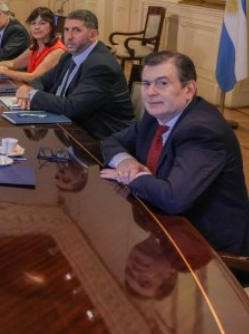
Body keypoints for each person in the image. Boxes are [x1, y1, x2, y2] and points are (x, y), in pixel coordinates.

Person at [100, 51, 249, 256]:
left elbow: (174, 198)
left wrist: (130, 177)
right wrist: (125, 161)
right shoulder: (157, 115)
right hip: (165, 228)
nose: (150, 92)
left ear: (189, 89)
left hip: (209, 250)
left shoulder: (203, 131)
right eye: (146, 84)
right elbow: (112, 141)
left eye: (162, 83)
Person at [15, 9, 134, 140]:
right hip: (66, 126)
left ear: (93, 35)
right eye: (66, 30)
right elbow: (42, 80)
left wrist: (32, 94)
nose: (69, 37)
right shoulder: (68, 56)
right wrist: (28, 88)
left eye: (76, 30)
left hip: (100, 139)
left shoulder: (100, 65)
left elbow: (73, 107)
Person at [0, 6, 67, 83]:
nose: (36, 27)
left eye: (42, 23)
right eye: (33, 23)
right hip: (29, 90)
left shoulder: (57, 50)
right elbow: (13, 64)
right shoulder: (35, 46)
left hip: (43, 95)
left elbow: (34, 77)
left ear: (52, 26)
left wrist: (2, 71)